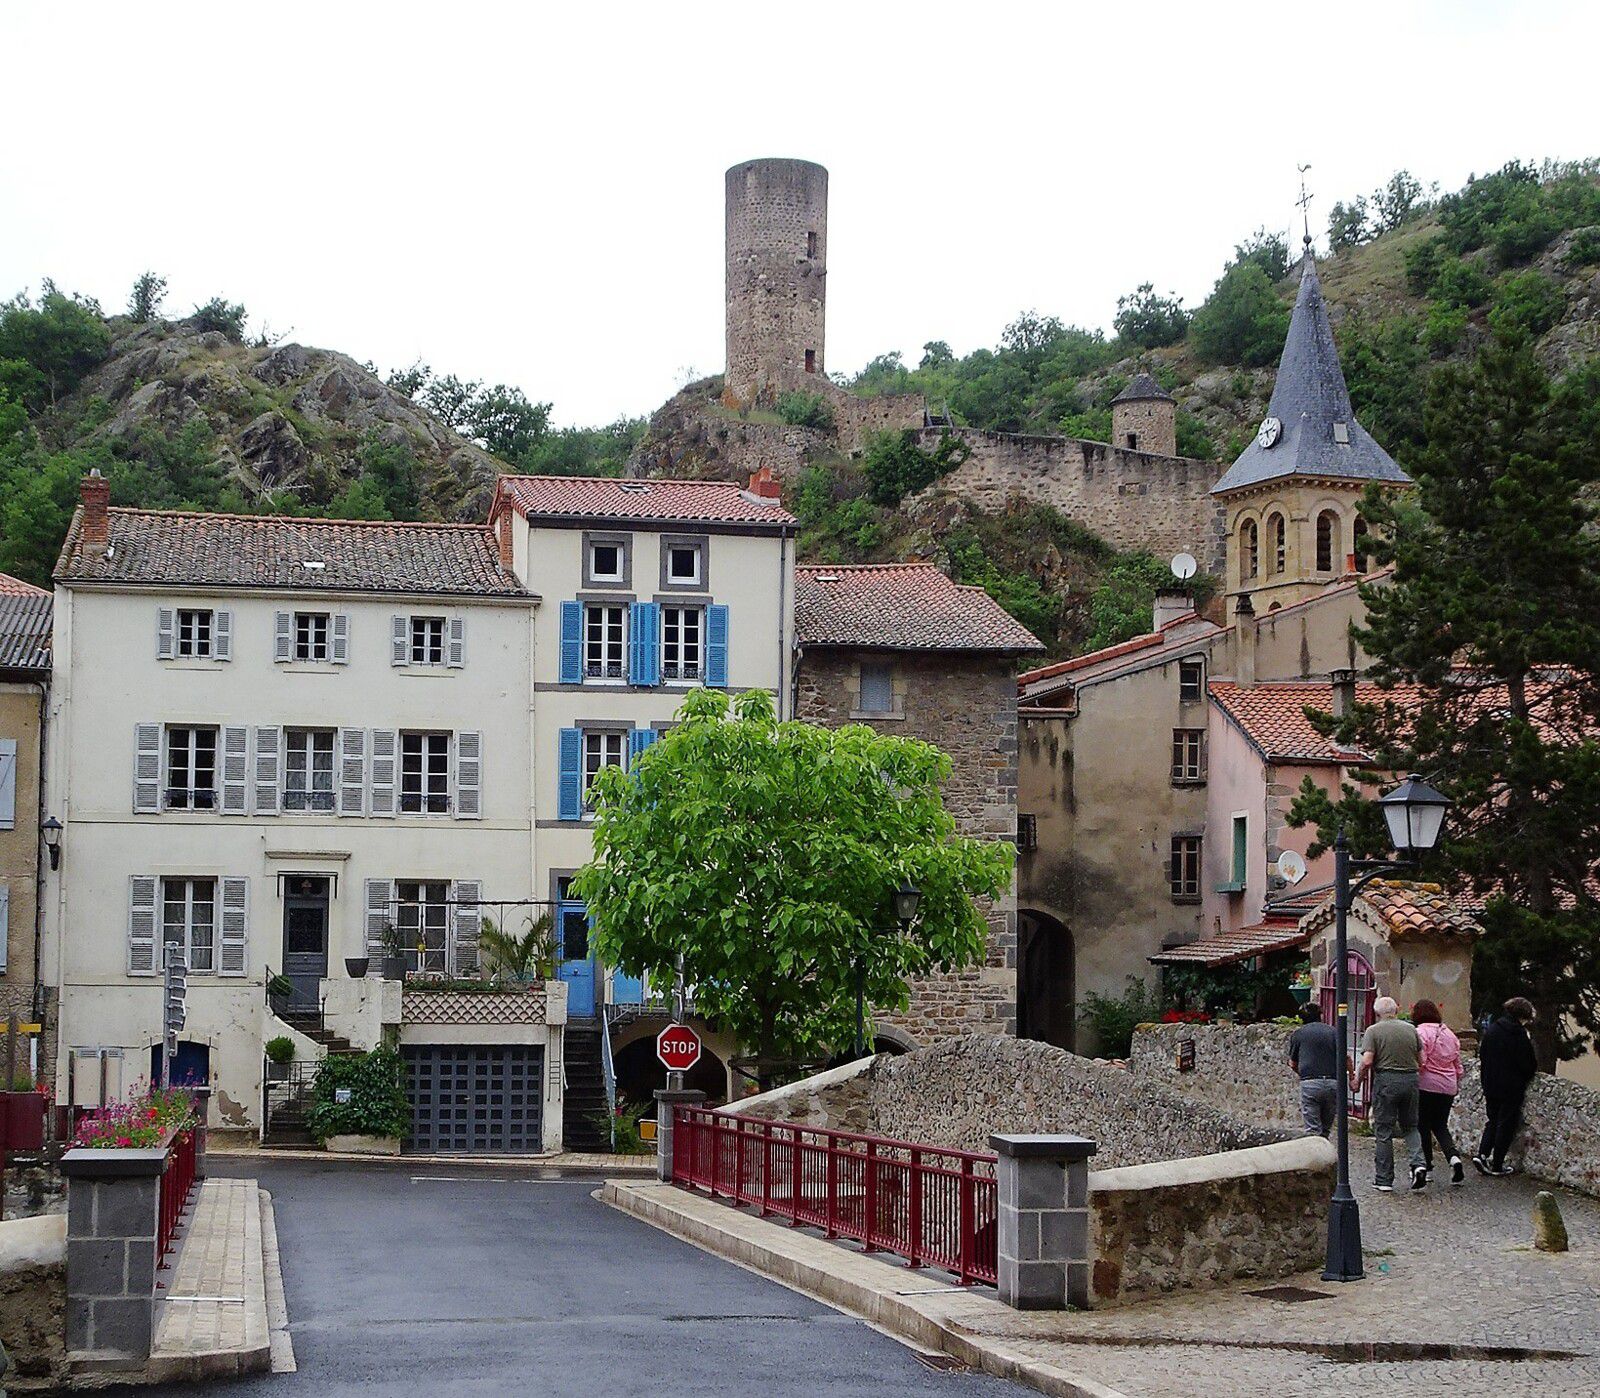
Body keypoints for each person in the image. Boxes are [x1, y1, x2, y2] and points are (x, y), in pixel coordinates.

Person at [1357, 996, 1428, 1191]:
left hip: (1387, 1080)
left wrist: (1358, 1080)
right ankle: (1418, 1163)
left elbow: (1368, 1061)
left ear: (1377, 1013)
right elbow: (1422, 1060)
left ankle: (1384, 1178)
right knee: (1411, 1126)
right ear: (1396, 1011)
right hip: (1411, 1080)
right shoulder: (1411, 1029)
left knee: (1384, 1129)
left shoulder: (1373, 1031)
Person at [1474, 996, 1538, 1177]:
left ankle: (1482, 1153)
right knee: (1506, 1124)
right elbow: (1528, 1064)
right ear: (1523, 1015)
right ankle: (1497, 1163)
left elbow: (1483, 1056)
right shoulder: (1519, 1035)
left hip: (1490, 1083)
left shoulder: (1493, 1030)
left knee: (1492, 1120)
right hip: (1511, 1086)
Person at [1412, 999, 1465, 1185]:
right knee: (1440, 1125)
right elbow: (1458, 1066)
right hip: (1448, 1086)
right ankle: (1453, 1157)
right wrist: (1455, 1081)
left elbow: (1421, 1061)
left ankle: (1427, 1167)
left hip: (1426, 1085)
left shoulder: (1419, 1033)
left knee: (1423, 1125)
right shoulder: (1450, 1034)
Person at [1286, 1002, 1348, 1138]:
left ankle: (1316, 1155)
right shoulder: (1334, 1032)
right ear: (1321, 1015)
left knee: (1312, 1129)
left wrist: (1302, 1074)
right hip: (1333, 1082)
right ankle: (1325, 1152)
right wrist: (1353, 1076)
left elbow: (1292, 1063)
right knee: (1326, 1128)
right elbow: (1345, 1058)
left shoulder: (1298, 1034)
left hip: (1310, 1082)